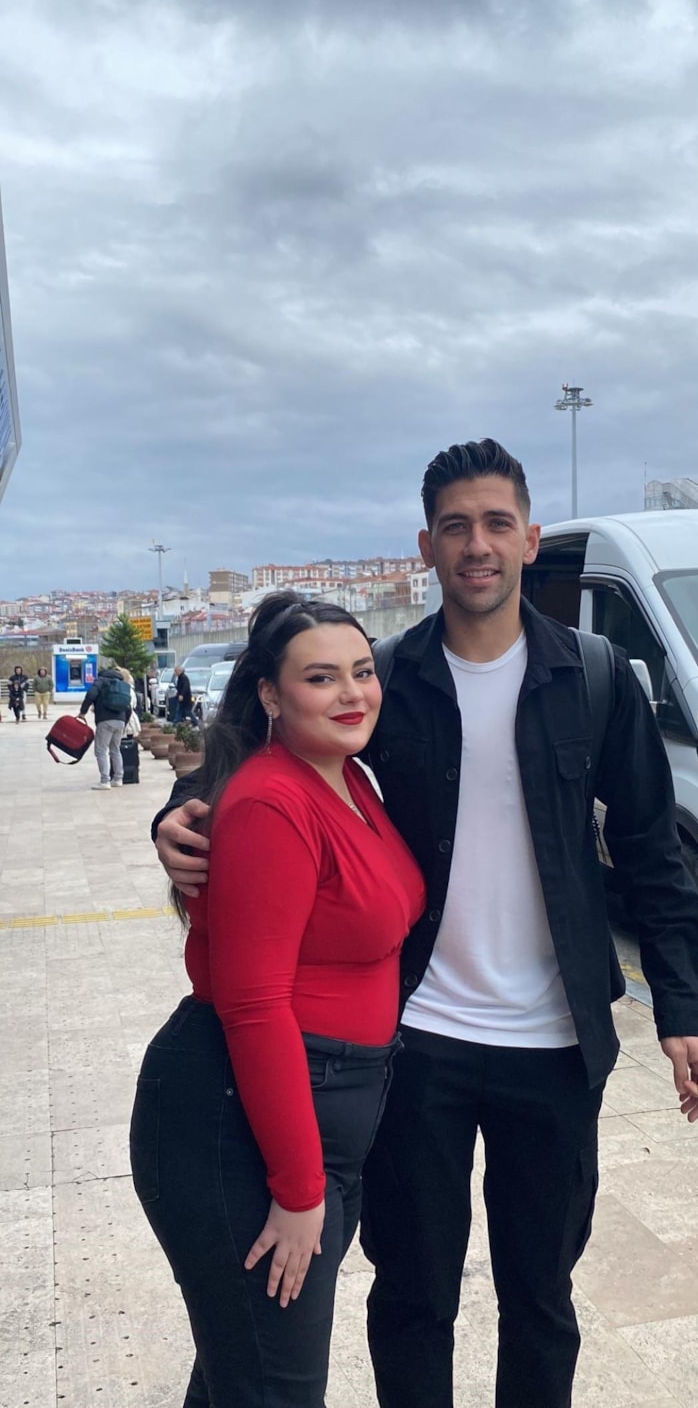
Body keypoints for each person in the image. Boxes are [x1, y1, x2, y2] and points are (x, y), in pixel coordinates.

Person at [153, 440, 698, 1408]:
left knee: (541, 1296)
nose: (476, 545)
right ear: (426, 546)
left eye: (497, 523)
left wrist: (681, 1010)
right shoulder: (386, 678)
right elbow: (266, 759)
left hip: (557, 1043)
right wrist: (174, 813)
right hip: (417, 1042)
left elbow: (651, 850)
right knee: (412, 1296)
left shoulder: (593, 677)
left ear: (530, 539)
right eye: (455, 526)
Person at [130, 593, 425, 1408]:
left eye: (362, 671)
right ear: (269, 693)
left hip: (320, 1128)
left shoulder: (349, 776)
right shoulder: (271, 800)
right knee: (272, 1388)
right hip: (242, 1134)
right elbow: (254, 1004)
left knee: (241, 1375)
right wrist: (299, 1190)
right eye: (321, 678)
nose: (352, 693)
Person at [79, 663, 132, 789]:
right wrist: (124, 723)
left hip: (105, 720)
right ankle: (118, 779)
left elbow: (91, 694)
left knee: (101, 750)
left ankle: (105, 781)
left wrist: (83, 712)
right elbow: (128, 707)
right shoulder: (123, 684)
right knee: (115, 750)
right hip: (120, 720)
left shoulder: (101, 681)